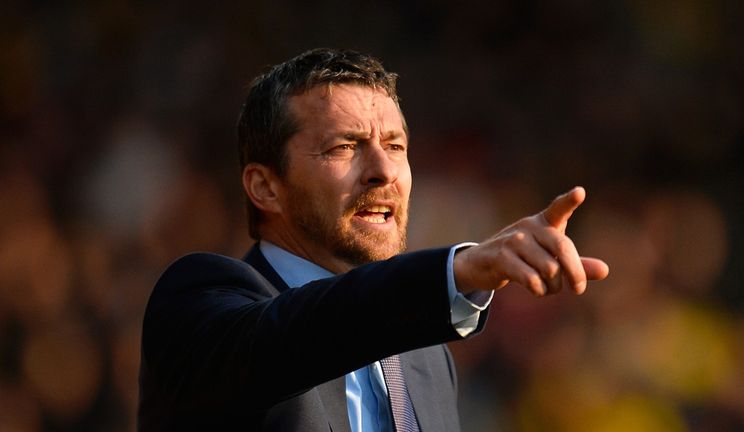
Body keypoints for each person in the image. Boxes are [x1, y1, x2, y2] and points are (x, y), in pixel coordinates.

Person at [138, 48, 609, 432]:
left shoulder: (428, 359)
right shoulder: (201, 307)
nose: (383, 171)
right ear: (265, 187)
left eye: (396, 146)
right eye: (344, 147)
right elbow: (305, 332)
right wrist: (454, 271)